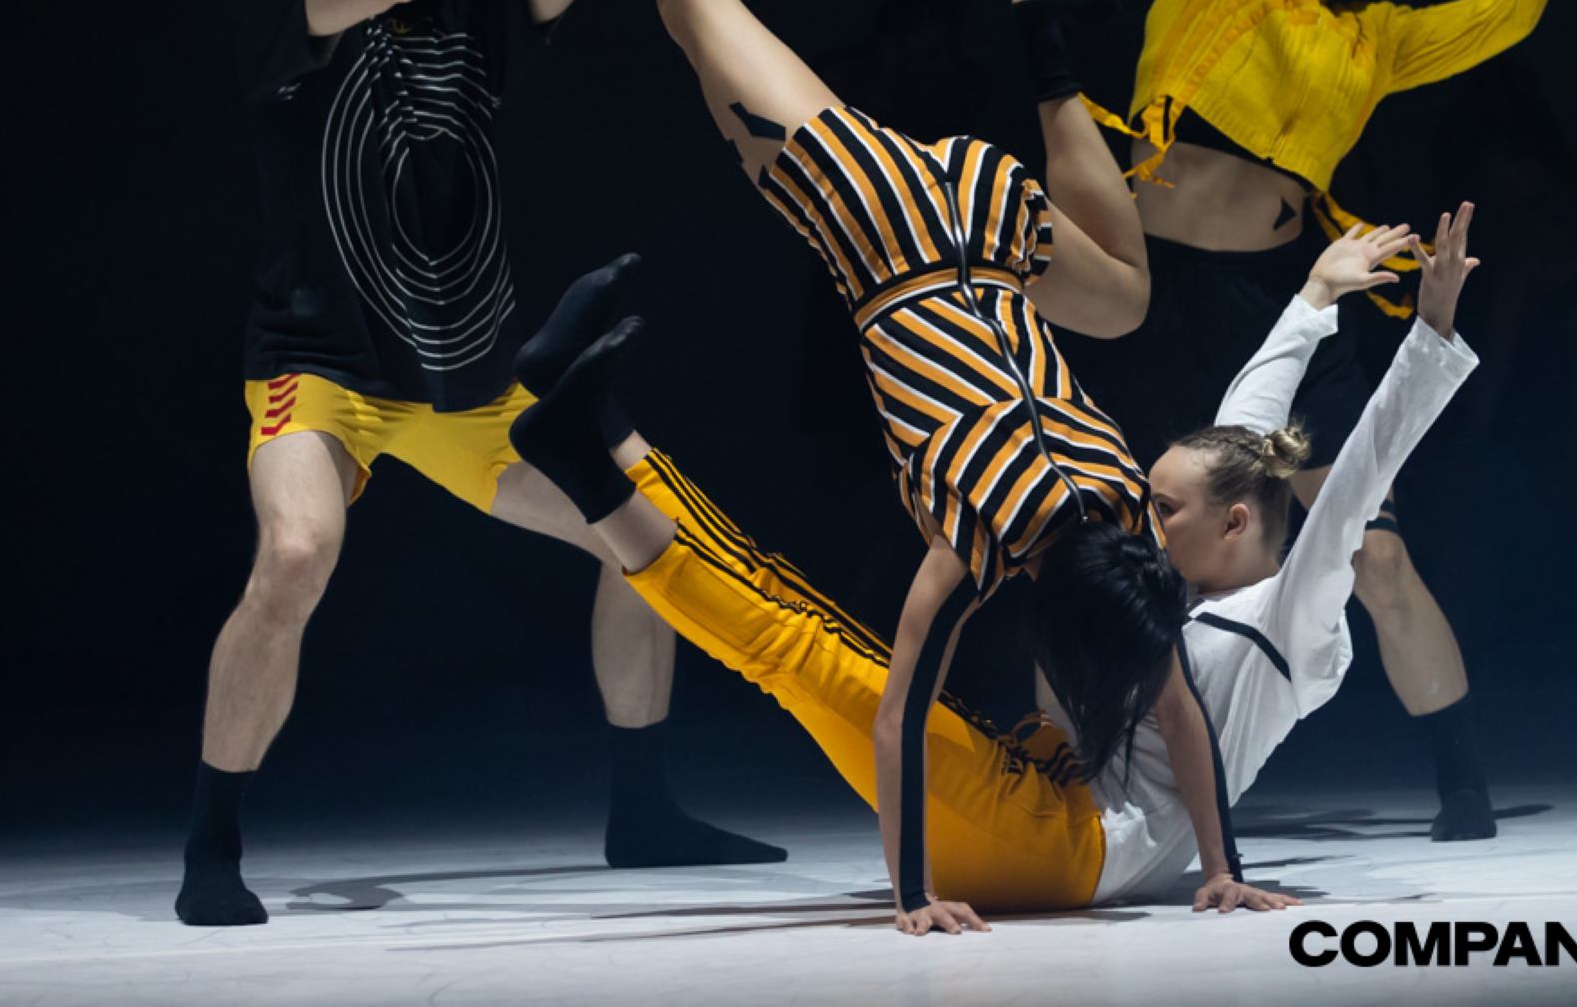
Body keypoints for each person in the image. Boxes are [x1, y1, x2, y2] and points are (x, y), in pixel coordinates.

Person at [477, 0, 1269, 935]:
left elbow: (1172, 701)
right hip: (883, 222)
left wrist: (1224, 864)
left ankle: (1052, 57)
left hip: (982, 226)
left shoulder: (1120, 510)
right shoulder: (986, 537)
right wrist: (916, 898)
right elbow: (901, 712)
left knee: (1120, 293)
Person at [502, 201, 1481, 925]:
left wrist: (1428, 344)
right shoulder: (1178, 561)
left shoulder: (1288, 621)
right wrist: (1311, 298)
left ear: (1231, 526)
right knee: (799, 620)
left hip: (1078, 846)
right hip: (1046, 787)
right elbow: (1243, 424)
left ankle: (595, 451)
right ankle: (596, 433)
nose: (1135, 508)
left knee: (796, 644)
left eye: (1160, 505)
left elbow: (1353, 487)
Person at [179, 0, 778, 929]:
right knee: (296, 555)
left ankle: (642, 813)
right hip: (320, 368)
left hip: (469, 379)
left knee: (648, 538)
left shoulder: (479, 2)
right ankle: (213, 844)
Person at [1076, 0, 1577, 839]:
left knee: (1373, 554)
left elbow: (1507, 14)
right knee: (1108, 555)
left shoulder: (1372, 43)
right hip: (1146, 300)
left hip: (1278, 307)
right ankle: (1083, 789)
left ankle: (1461, 784)